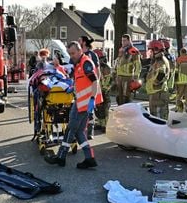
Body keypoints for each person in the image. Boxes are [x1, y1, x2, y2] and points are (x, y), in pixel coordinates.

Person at [45, 41, 101, 169]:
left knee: (71, 128)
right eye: (70, 53)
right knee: (79, 132)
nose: (72, 55)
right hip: (81, 101)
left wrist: (92, 99)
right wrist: (72, 86)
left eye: (73, 53)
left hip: (84, 103)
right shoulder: (78, 64)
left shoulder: (85, 63)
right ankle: (89, 158)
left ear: (80, 51)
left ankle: (61, 157)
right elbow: (79, 80)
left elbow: (95, 80)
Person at [78, 35, 101, 138]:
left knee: (90, 110)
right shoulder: (78, 55)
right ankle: (80, 130)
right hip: (80, 88)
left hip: (91, 86)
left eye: (79, 40)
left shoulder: (92, 55)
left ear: (83, 42)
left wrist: (97, 83)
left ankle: (90, 132)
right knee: (80, 110)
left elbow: (97, 70)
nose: (77, 42)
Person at [145, 39, 171, 120]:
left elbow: (161, 74)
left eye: (151, 50)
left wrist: (154, 84)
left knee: (158, 119)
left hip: (158, 94)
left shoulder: (160, 61)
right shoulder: (157, 61)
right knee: (155, 116)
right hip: (156, 94)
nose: (150, 53)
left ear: (156, 50)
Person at [113, 34, 141, 105]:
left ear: (129, 41)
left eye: (125, 40)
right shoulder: (121, 50)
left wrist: (135, 77)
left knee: (126, 97)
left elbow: (137, 65)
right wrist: (114, 72)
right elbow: (117, 62)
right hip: (119, 77)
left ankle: (128, 113)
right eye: (122, 41)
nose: (123, 42)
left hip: (128, 77)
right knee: (119, 97)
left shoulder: (134, 51)